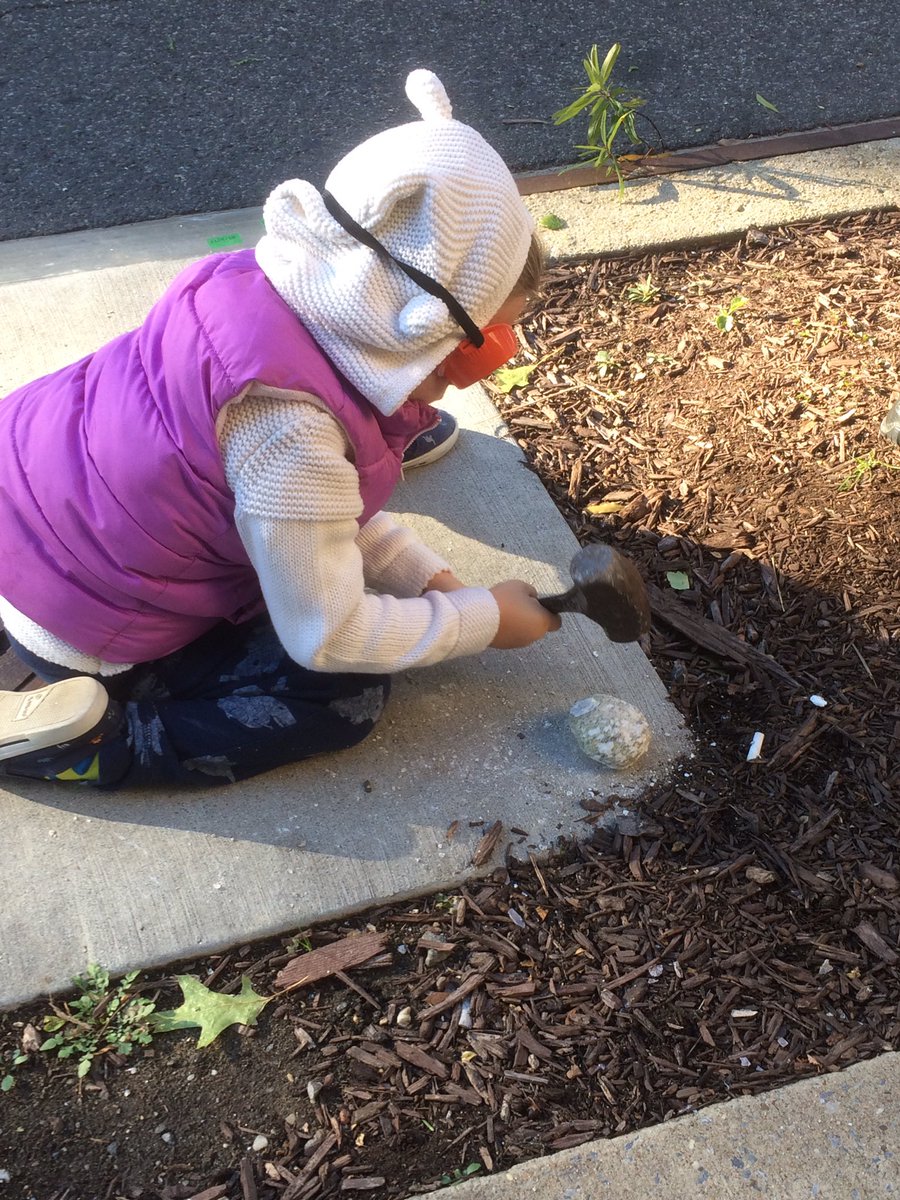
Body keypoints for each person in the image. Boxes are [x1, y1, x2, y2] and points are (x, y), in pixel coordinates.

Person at [0, 69, 560, 789]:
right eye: (486, 341)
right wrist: (479, 622)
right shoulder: (292, 434)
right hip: (80, 622)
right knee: (344, 696)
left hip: (30, 496)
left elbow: (322, 513)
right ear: (416, 322)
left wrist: (431, 582)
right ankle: (92, 744)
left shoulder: (268, 285)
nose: (493, 360)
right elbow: (327, 633)